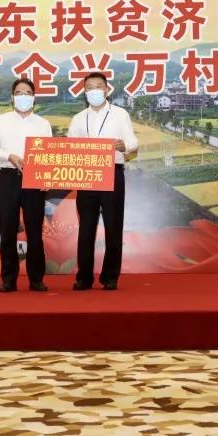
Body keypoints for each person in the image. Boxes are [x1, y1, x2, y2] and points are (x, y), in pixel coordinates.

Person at [66, 72, 138, 291]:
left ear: (107, 90)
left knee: (113, 227)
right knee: (86, 229)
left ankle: (110, 276)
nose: (94, 91)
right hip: (87, 176)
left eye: (98, 86)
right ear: (84, 92)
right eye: (89, 87)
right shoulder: (78, 118)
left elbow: (133, 141)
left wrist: (125, 145)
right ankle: (84, 277)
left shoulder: (120, 114)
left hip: (112, 173)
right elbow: (69, 147)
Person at [0, 78, 53, 293]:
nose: (23, 96)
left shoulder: (43, 123)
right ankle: (8, 279)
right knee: (8, 229)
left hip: (34, 178)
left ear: (34, 97)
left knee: (34, 230)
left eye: (27, 92)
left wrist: (47, 178)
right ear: (12, 97)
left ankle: (36, 279)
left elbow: (49, 153)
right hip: (8, 177)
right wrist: (9, 156)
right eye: (19, 92)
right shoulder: (1, 121)